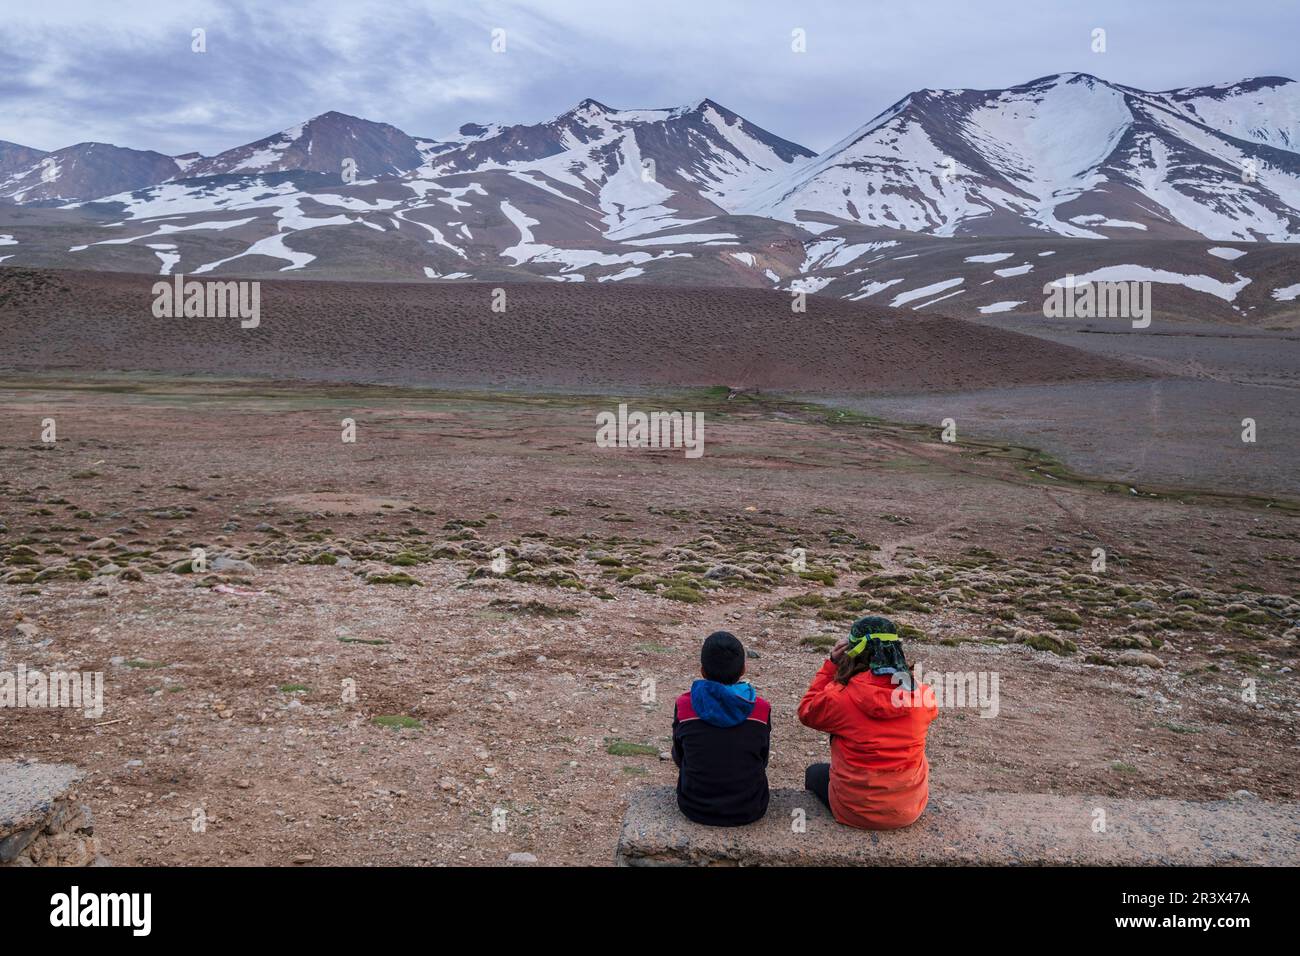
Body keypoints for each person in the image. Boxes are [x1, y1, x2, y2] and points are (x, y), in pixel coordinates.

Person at [797, 615, 937, 829]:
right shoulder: (922, 695)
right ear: (895, 648)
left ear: (851, 651)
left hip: (854, 811)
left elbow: (807, 711)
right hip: (909, 810)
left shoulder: (840, 697)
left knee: (815, 773)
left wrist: (831, 666)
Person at [671, 630, 772, 826]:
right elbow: (763, 758)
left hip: (694, 807)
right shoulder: (761, 708)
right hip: (751, 807)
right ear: (743, 669)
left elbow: (679, 756)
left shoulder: (684, 705)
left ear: (702, 670)